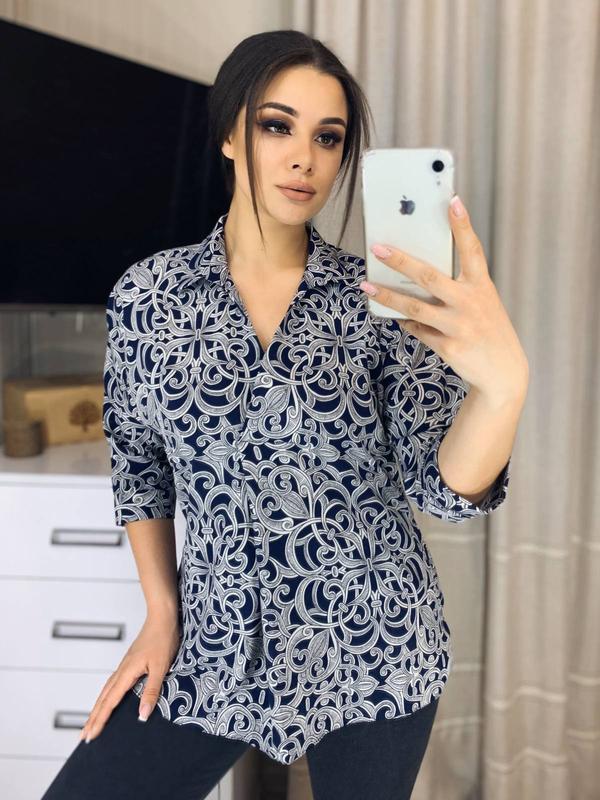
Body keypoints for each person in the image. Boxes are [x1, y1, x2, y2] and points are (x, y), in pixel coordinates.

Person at [42, 28, 511, 800]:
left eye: (328, 138)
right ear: (230, 134)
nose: (304, 158)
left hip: (375, 646)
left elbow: (441, 490)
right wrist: (161, 612)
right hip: (212, 645)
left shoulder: (379, 304)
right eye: (276, 126)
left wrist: (504, 389)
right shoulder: (149, 296)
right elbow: (138, 465)